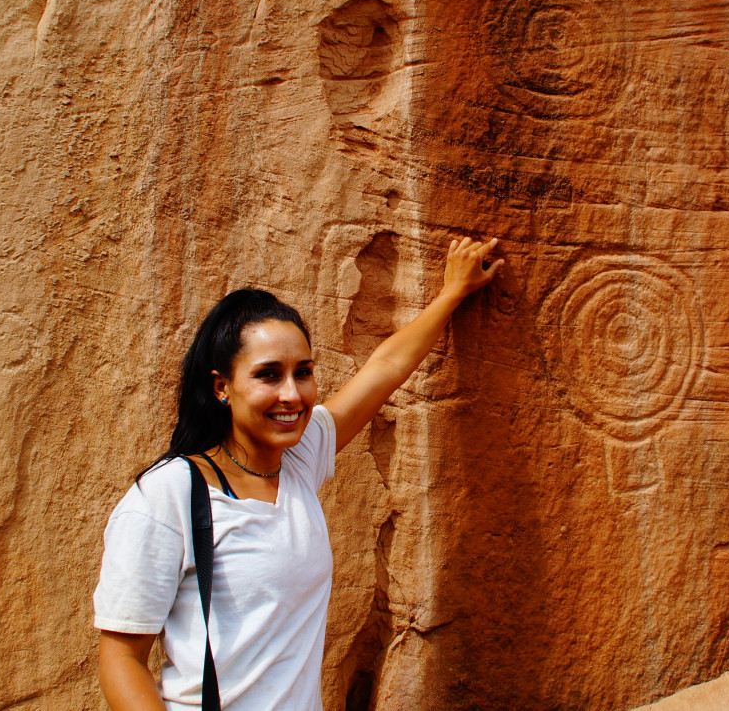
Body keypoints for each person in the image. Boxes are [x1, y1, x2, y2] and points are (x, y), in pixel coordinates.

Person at [94, 236, 504, 710]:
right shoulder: (168, 496)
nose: (293, 394)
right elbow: (121, 660)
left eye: (303, 372)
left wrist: (452, 293)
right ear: (222, 388)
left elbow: (386, 367)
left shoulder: (297, 461)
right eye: (269, 374)